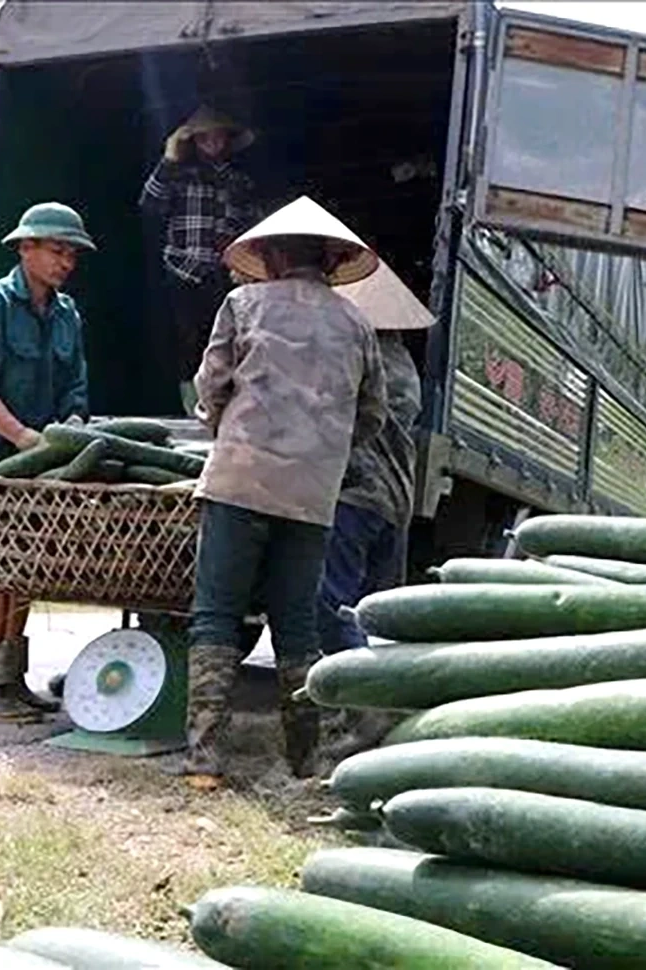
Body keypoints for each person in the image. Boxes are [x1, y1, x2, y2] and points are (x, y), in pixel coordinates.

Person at [183, 196, 387, 791]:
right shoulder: (357, 324)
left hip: (238, 481)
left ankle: (204, 762)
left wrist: (223, 426)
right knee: (296, 624)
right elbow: (371, 415)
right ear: (329, 260)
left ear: (271, 256)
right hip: (312, 496)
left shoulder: (242, 303)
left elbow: (211, 386)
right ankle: (305, 759)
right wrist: (323, 450)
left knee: (216, 613)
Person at [0, 202, 96, 723]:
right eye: (57, 250)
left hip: (39, 463)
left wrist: (69, 431)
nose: (66, 262)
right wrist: (27, 438)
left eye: (72, 254)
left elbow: (75, 388)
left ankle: (12, 681)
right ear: (25, 248)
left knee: (27, 569)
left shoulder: (67, 314)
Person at [312, 261, 433, 767]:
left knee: (329, 604)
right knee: (371, 612)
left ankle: (368, 708)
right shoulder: (403, 362)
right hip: (396, 500)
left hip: (356, 496)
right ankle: (379, 706)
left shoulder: (355, 354)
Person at [138, 105, 258, 414]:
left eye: (218, 137)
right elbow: (150, 205)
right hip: (183, 272)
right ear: (194, 142)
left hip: (225, 275)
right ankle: (192, 411)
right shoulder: (178, 175)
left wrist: (243, 263)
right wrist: (169, 158)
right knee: (187, 346)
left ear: (227, 140)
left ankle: (223, 408)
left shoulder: (240, 183)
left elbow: (250, 228)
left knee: (228, 344)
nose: (212, 144)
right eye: (205, 138)